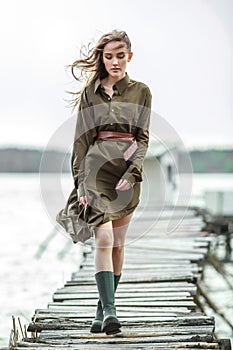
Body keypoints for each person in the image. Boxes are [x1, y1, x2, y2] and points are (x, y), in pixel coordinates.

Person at [64, 30, 151, 335]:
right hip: (95, 172)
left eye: (120, 55)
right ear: (102, 58)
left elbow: (142, 139)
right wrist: (80, 184)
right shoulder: (91, 93)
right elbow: (81, 141)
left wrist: (133, 173)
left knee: (118, 244)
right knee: (104, 239)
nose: (114, 61)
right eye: (108, 56)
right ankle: (112, 312)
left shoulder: (141, 92)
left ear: (130, 56)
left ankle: (102, 311)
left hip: (126, 176)